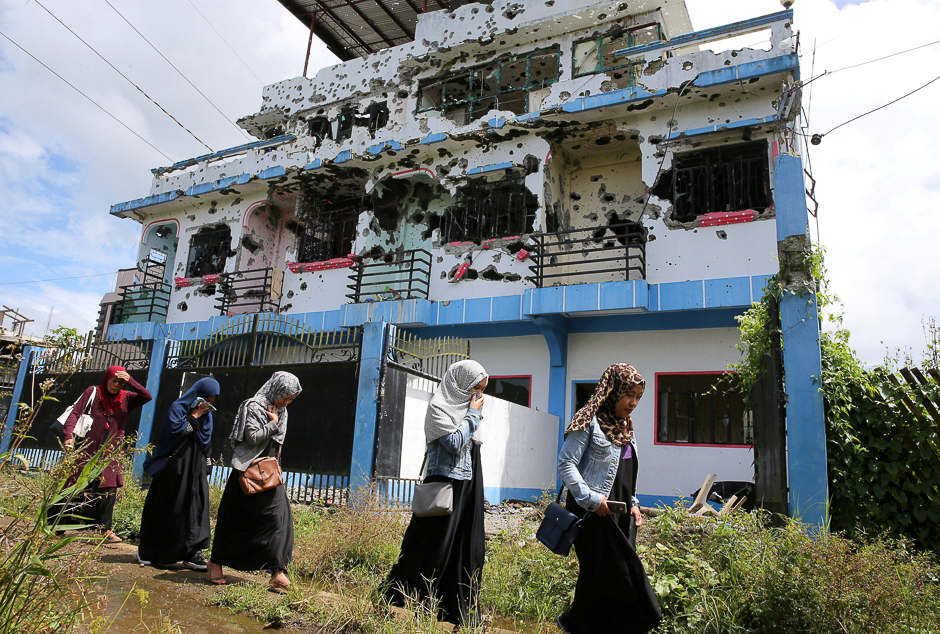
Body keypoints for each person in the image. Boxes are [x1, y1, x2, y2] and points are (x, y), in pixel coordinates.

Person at [555, 364, 661, 634]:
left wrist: (635, 503)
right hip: (593, 514)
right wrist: (591, 500)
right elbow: (566, 463)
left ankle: (582, 625)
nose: (634, 403)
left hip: (621, 514)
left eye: (638, 396)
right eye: (630, 395)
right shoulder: (588, 420)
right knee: (613, 576)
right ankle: (577, 623)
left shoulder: (625, 426)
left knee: (606, 580)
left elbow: (627, 473)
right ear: (614, 391)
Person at [384, 359, 489, 626]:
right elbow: (454, 443)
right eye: (474, 389)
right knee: (430, 542)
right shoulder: (439, 409)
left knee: (467, 545)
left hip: (469, 483)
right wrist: (473, 415)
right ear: (460, 385)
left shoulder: (465, 410)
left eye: (482, 391)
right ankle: (398, 595)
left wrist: (471, 414)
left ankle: (456, 610)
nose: (478, 396)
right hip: (446, 483)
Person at [207, 371, 301, 591]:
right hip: (248, 471)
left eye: (291, 399)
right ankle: (216, 563)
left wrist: (277, 421)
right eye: (285, 397)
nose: (286, 402)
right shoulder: (253, 406)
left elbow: (277, 443)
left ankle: (277, 572)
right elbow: (251, 438)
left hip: (269, 472)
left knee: (278, 520)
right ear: (276, 389)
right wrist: (273, 424)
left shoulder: (281, 410)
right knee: (235, 519)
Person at [58, 365, 152, 543]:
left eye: (120, 382)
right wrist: (68, 435)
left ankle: (104, 529)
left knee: (108, 490)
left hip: (111, 453)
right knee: (76, 486)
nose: (116, 385)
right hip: (87, 450)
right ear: (106, 379)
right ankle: (58, 525)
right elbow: (75, 413)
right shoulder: (93, 392)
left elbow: (146, 396)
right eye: (113, 381)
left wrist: (130, 380)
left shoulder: (126, 398)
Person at [137, 377, 220, 569]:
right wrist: (194, 416)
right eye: (206, 399)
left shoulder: (208, 414)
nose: (208, 405)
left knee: (195, 508)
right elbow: (176, 432)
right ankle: (151, 551)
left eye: (212, 402)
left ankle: (192, 553)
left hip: (195, 468)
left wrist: (198, 418)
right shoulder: (177, 408)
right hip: (175, 468)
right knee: (168, 506)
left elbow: (204, 437)